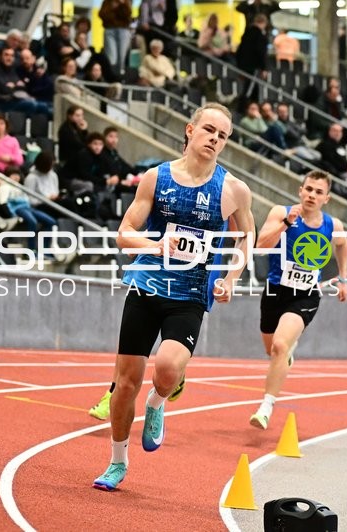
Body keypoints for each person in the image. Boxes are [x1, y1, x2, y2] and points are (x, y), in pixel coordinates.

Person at [92, 102, 255, 491]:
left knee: (166, 369)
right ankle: (117, 462)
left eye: (222, 136)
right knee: (125, 382)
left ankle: (157, 404)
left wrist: (232, 276)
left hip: (190, 293)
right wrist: (156, 244)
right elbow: (124, 234)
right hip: (147, 285)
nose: (215, 139)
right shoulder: (156, 178)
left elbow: (246, 236)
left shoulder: (233, 189)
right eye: (209, 130)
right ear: (189, 130)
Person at [249, 170, 347, 429]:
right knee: (272, 350)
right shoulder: (280, 213)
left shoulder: (332, 225)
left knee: (281, 347)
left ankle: (266, 406)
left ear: (326, 198)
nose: (312, 195)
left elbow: (342, 244)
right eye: (308, 189)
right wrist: (286, 224)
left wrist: (343, 277)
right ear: (300, 190)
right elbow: (261, 246)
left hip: (305, 294)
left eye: (318, 192)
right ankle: (284, 359)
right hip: (275, 291)